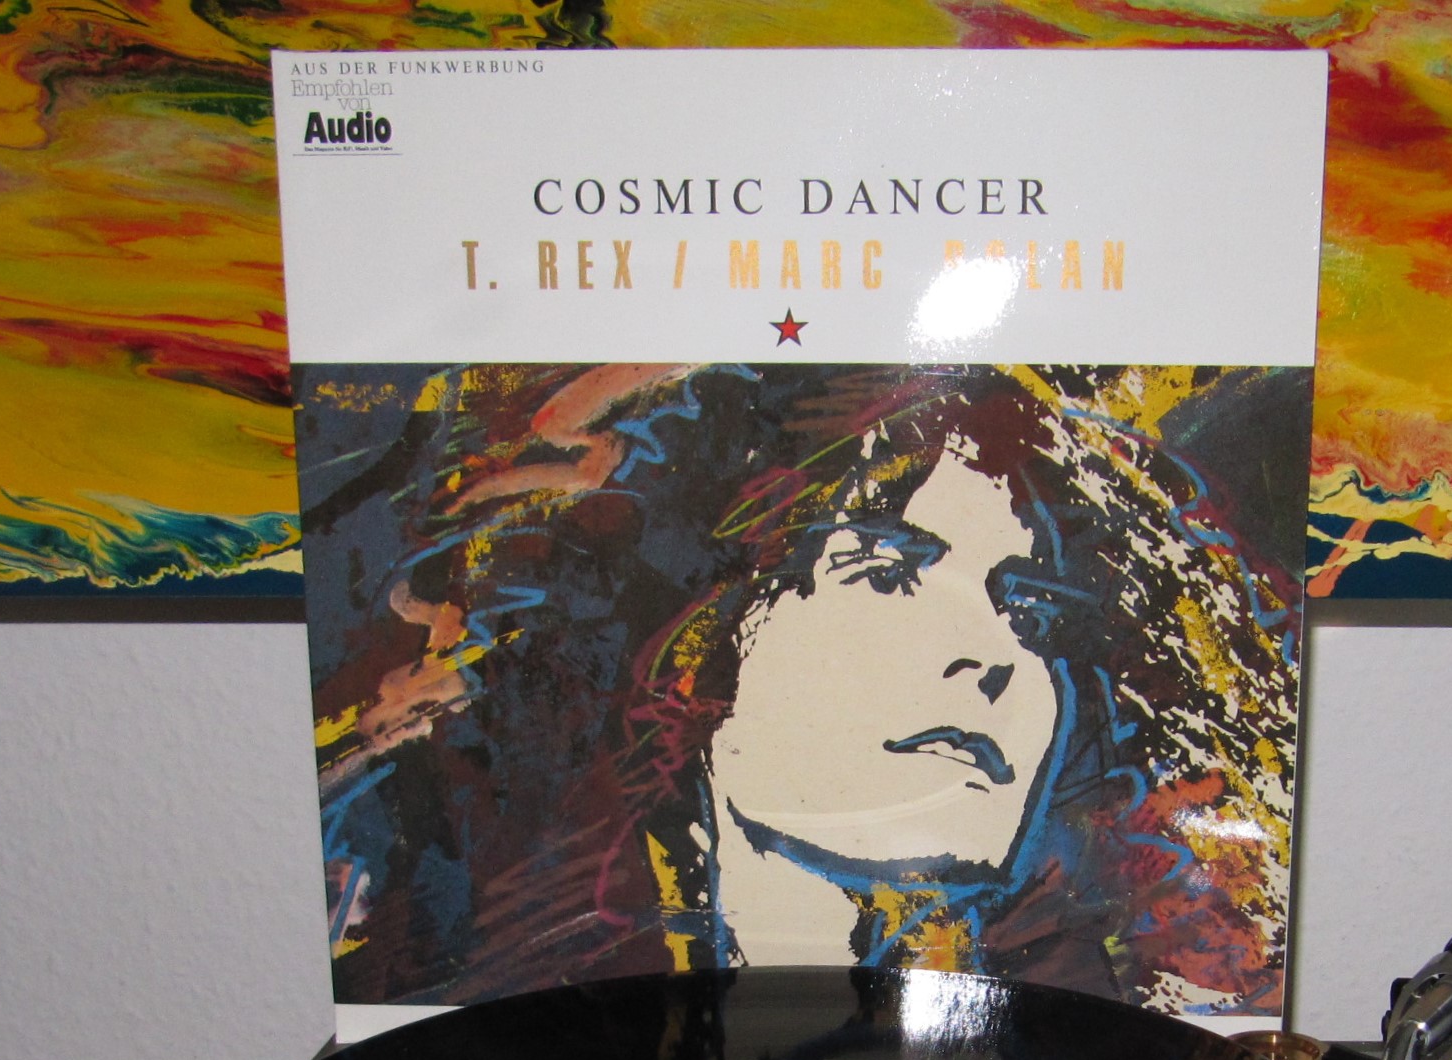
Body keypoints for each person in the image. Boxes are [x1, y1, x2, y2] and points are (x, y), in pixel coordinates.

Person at [304, 361, 1301, 1015]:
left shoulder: (1086, 1020)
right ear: (709, 634)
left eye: (1034, 617)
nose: (990, 656)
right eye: (888, 571)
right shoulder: (472, 962)